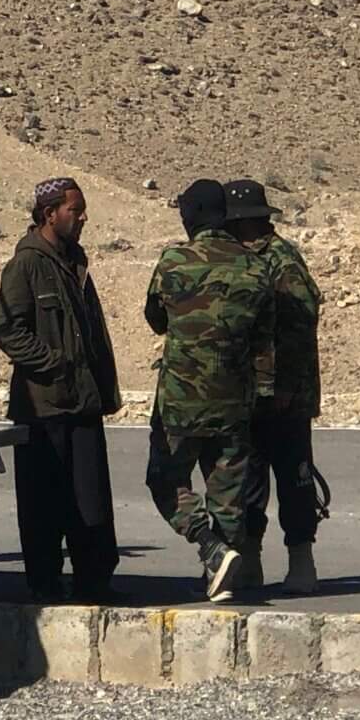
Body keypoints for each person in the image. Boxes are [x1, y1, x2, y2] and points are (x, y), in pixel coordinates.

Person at [0, 177, 121, 602]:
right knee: (42, 505)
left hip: (82, 401)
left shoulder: (75, 263)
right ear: (50, 215)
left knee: (91, 500)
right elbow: (7, 329)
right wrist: (54, 363)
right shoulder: (26, 265)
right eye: (75, 210)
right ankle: (44, 584)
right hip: (43, 406)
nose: (83, 218)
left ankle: (93, 580)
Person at [143, 179, 268, 602]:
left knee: (165, 478)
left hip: (181, 400)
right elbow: (264, 338)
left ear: (191, 216)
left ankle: (210, 547)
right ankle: (225, 572)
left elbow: (156, 319)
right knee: (228, 492)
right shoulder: (254, 267)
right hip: (234, 400)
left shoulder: (174, 261)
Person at [230, 179, 326, 594]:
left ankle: (301, 562)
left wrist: (285, 384)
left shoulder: (281, 260)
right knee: (250, 479)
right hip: (255, 393)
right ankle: (250, 562)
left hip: (285, 395)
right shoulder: (245, 259)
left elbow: (301, 325)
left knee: (294, 478)